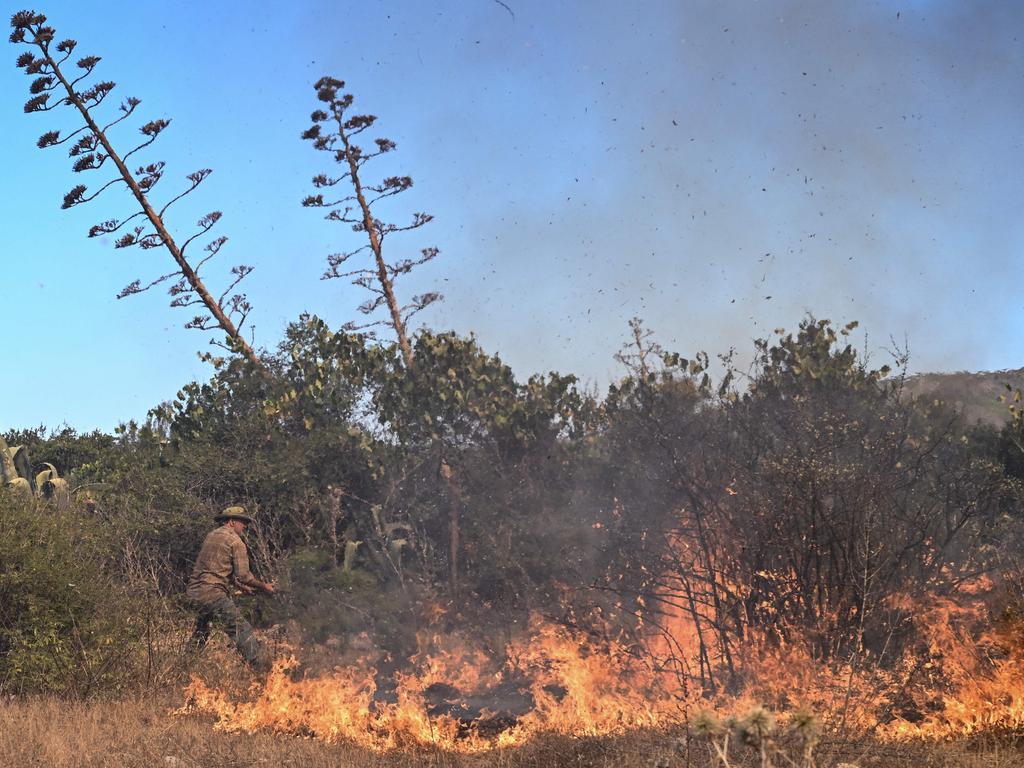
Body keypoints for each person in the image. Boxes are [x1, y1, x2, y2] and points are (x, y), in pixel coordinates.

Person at [186, 506, 275, 673]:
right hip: (213, 595)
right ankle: (262, 672)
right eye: (243, 522)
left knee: (201, 632)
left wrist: (241, 587)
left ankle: (184, 667)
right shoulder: (236, 541)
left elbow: (215, 569)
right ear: (232, 522)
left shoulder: (211, 536)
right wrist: (264, 586)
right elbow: (244, 575)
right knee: (243, 630)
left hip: (194, 593)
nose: (245, 526)